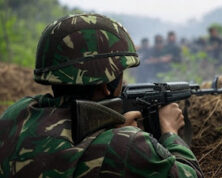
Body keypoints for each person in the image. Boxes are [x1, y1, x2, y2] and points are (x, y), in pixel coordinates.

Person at [0, 14, 203, 177]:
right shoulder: (125, 146)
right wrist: (170, 132)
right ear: (107, 86)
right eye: (121, 77)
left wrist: (106, 131)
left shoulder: (16, 114)